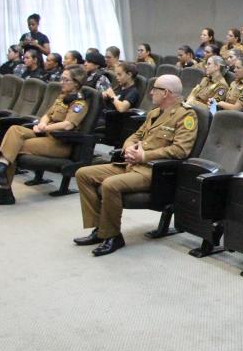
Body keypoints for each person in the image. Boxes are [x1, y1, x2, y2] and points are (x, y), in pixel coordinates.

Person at [74, 74, 198, 256]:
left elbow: (180, 150)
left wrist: (144, 156)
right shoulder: (154, 113)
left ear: (166, 93)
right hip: (131, 163)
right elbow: (136, 136)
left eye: (154, 89)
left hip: (153, 171)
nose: (150, 93)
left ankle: (113, 236)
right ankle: (100, 229)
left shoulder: (187, 115)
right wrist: (128, 148)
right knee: (83, 174)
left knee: (110, 184)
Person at [0, 65, 90, 205]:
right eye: (62, 79)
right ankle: (1, 167)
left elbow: (68, 125)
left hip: (60, 143)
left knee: (15, 146)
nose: (61, 82)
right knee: (14, 130)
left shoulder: (80, 103)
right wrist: (42, 124)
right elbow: (47, 115)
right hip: (45, 135)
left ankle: (4, 188)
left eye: (66, 80)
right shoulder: (62, 97)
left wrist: (46, 127)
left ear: (76, 83)